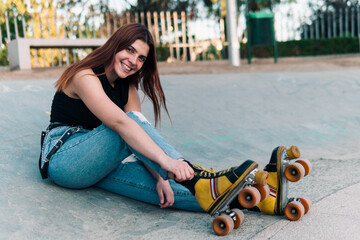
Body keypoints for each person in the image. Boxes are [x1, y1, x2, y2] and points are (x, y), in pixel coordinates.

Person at [38, 23, 266, 214]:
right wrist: (167, 162)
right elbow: (121, 124)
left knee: (164, 189)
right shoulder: (84, 75)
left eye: (141, 58)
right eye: (128, 50)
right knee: (131, 121)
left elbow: (139, 134)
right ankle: (196, 176)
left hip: (95, 165)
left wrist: (161, 177)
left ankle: (252, 198)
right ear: (114, 45)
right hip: (65, 160)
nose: (133, 61)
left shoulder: (129, 90)